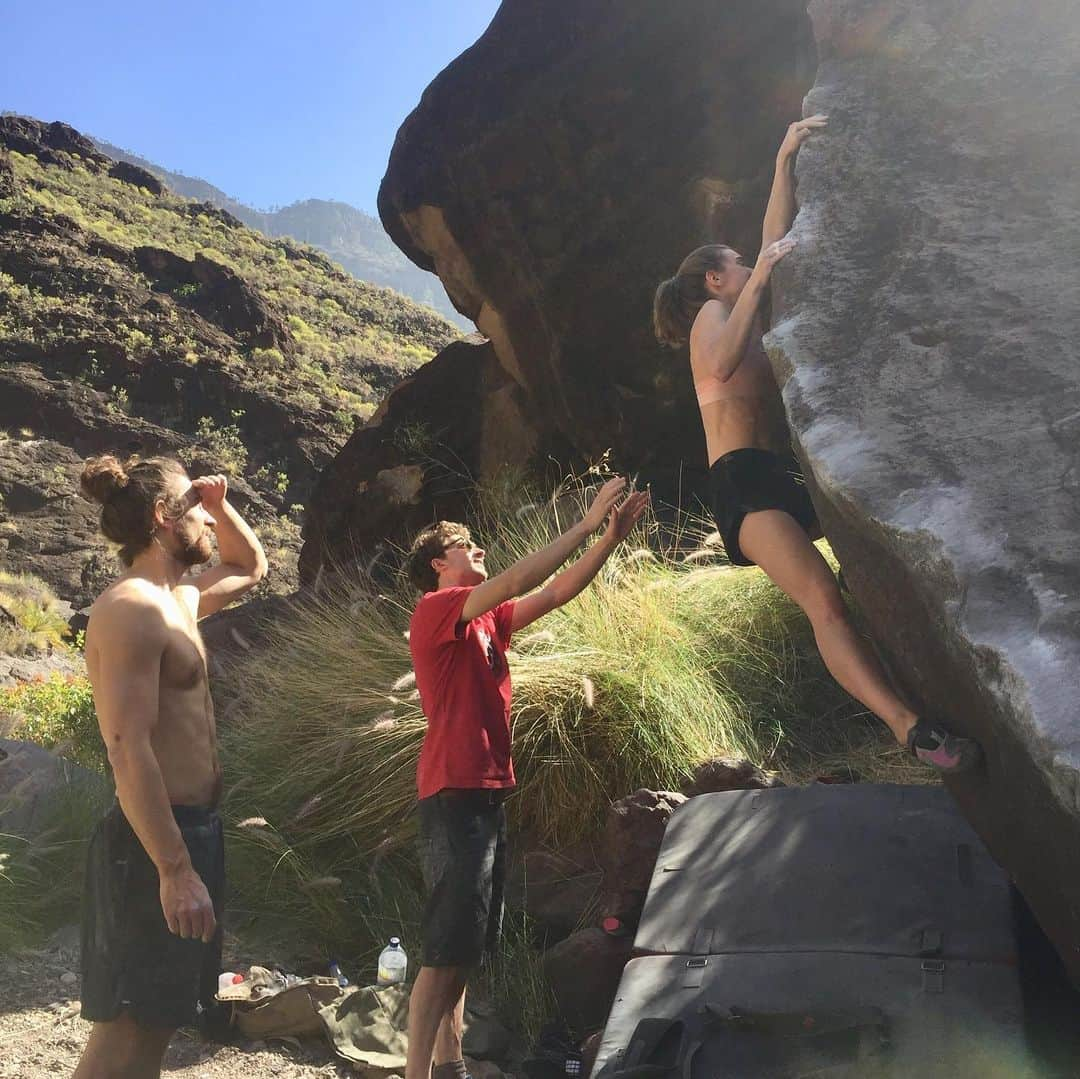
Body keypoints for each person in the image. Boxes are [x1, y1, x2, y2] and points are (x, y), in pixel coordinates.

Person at [652, 114, 981, 774]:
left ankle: (941, 678)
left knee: (875, 558)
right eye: (738, 263)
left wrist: (783, 159)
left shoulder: (742, 308)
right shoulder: (709, 320)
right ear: (714, 279)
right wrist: (766, 270)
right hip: (744, 484)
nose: (749, 262)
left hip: (780, 471)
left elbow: (775, 238)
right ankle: (906, 726)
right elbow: (720, 367)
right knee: (823, 599)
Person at [403, 478, 650, 1079]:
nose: (479, 550)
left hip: (483, 794)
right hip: (453, 792)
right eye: (467, 546)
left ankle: (453, 1065)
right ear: (439, 563)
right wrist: (585, 524)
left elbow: (557, 591)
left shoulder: (487, 623)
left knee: (465, 948)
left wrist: (608, 542)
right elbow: (515, 580)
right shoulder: (438, 609)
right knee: (444, 951)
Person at [73, 455, 267, 1079]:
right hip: (154, 844)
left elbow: (250, 566)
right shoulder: (132, 608)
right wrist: (174, 869)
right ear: (162, 516)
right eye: (194, 508)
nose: (208, 521)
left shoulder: (178, 598)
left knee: (158, 1025)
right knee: (125, 1032)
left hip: (193, 832)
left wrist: (218, 502)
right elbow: (129, 748)